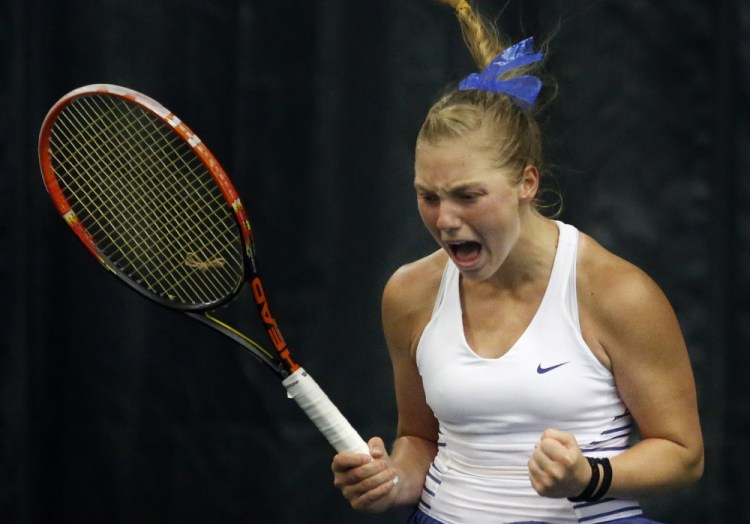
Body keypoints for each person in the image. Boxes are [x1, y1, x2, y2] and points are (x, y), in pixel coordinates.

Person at [331, 1, 704, 522]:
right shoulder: (409, 293)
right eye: (428, 196)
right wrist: (392, 480)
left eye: (467, 195)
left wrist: (590, 476)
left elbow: (683, 455)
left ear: (527, 182)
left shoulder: (617, 293)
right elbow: (418, 437)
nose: (444, 220)